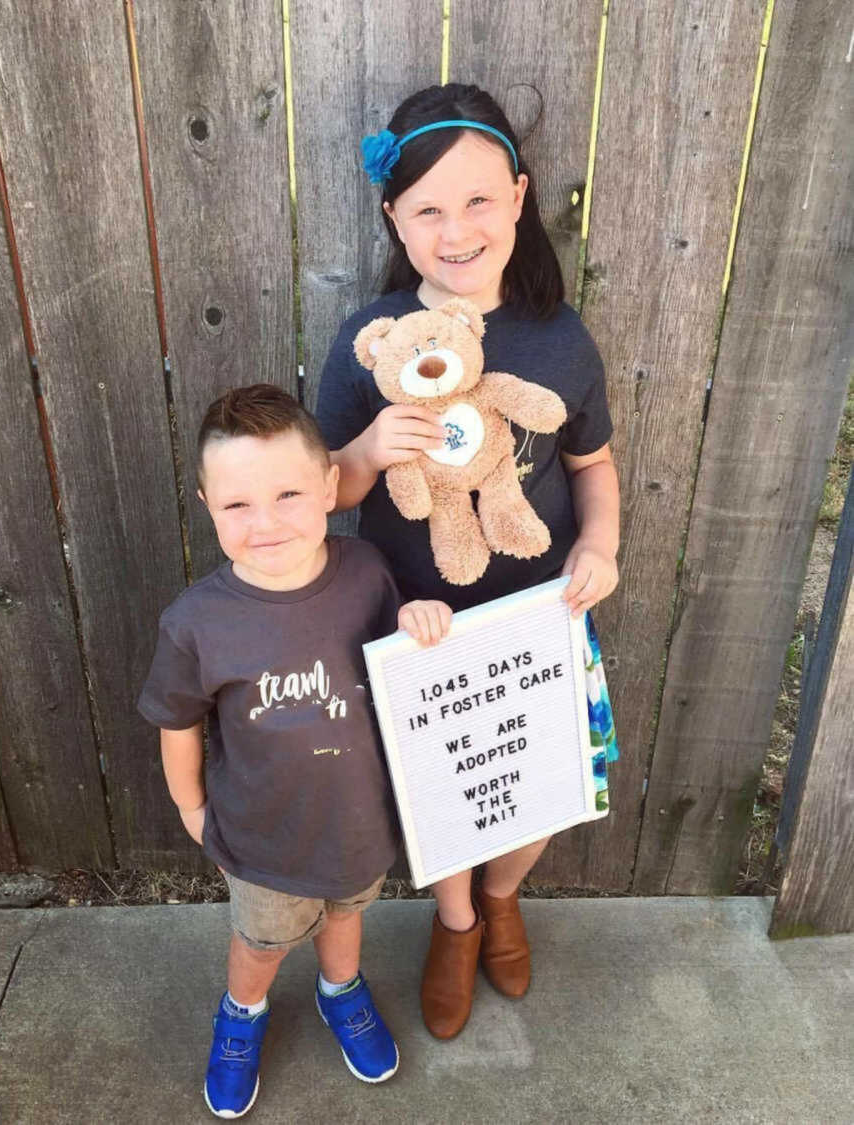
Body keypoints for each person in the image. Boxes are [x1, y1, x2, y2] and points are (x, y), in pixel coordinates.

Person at [316, 83, 620, 1040]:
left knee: (533, 787)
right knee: (449, 785)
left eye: (480, 200)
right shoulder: (371, 343)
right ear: (394, 219)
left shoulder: (559, 337)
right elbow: (329, 486)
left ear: (521, 198)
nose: (457, 229)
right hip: (419, 623)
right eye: (430, 209)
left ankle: (500, 898)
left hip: (541, 617)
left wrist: (601, 544)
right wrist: (368, 450)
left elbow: (593, 462)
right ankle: (453, 921)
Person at [138, 384, 451, 1118]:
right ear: (207, 504)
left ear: (330, 485)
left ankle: (341, 989)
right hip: (263, 838)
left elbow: (403, 646)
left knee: (346, 914)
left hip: (360, 822)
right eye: (237, 504)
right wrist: (192, 808)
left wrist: (420, 616)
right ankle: (241, 1015)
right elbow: (177, 721)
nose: (266, 522)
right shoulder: (195, 623)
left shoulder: (367, 572)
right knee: (264, 939)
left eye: (287, 493)